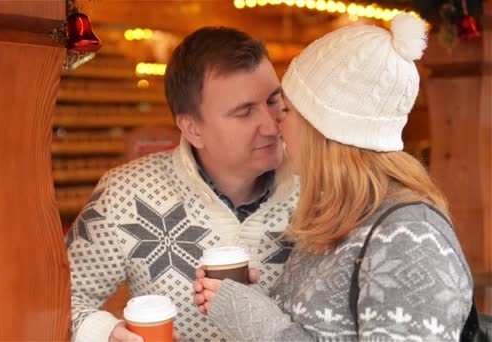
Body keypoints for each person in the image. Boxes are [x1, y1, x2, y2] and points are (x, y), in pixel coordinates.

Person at [194, 14, 473, 341]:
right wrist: (250, 306)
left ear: (323, 128)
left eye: (287, 110)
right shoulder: (342, 216)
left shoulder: (410, 239)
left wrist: (261, 326)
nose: (276, 125)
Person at [66, 27, 299, 342]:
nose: (272, 126)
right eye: (244, 113)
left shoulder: (322, 188)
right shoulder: (127, 192)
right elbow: (61, 297)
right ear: (192, 129)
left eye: (275, 101)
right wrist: (104, 333)